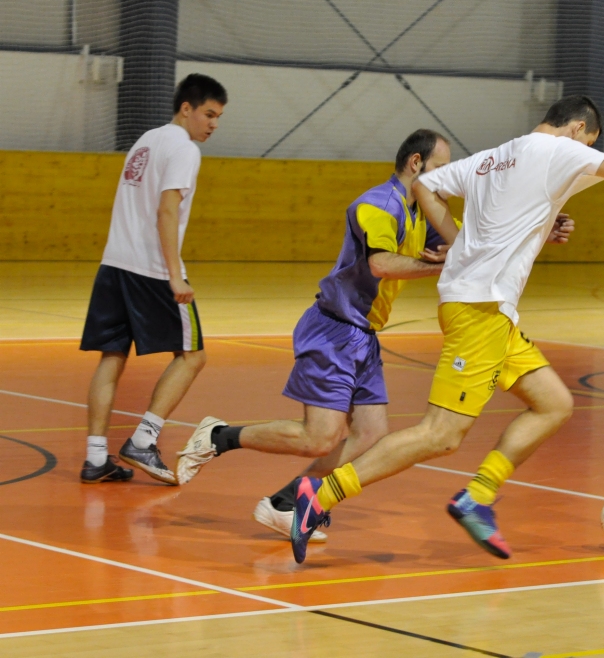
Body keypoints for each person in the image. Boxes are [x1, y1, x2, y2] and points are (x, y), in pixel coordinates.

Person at [283, 94, 604, 563]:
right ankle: (320, 495)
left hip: (492, 313)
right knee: (440, 434)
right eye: (588, 144)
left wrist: (466, 243)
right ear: (578, 129)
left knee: (554, 404)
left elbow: (427, 187)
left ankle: (478, 496)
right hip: (480, 312)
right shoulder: (560, 150)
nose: (586, 154)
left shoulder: (494, 157)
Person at [174, 130, 575, 545]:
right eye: (440, 168)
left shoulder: (421, 212)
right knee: (319, 437)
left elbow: (476, 245)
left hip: (364, 336)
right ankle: (219, 436)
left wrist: (539, 229)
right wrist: (443, 266)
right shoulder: (378, 205)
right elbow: (381, 263)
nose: (447, 178)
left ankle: (287, 503)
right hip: (333, 329)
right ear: (416, 163)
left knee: (370, 436)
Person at [79, 73, 227, 484]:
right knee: (193, 356)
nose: (213, 124)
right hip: (151, 270)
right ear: (186, 108)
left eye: (218, 117)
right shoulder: (184, 149)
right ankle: (144, 440)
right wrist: (175, 276)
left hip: (114, 264)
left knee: (112, 357)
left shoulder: (146, 141)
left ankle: (95, 458)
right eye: (209, 114)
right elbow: (166, 210)